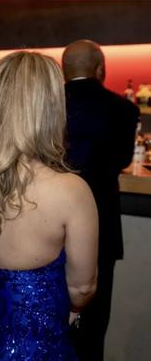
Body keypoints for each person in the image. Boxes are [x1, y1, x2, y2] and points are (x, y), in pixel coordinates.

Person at [0, 51, 99, 360]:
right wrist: (74, 309)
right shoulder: (70, 191)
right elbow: (83, 287)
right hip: (35, 347)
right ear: (50, 108)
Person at [62, 40, 139, 361]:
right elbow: (122, 159)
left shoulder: (46, 103)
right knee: (94, 323)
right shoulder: (123, 108)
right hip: (101, 220)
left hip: (50, 219)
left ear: (63, 71)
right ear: (101, 70)